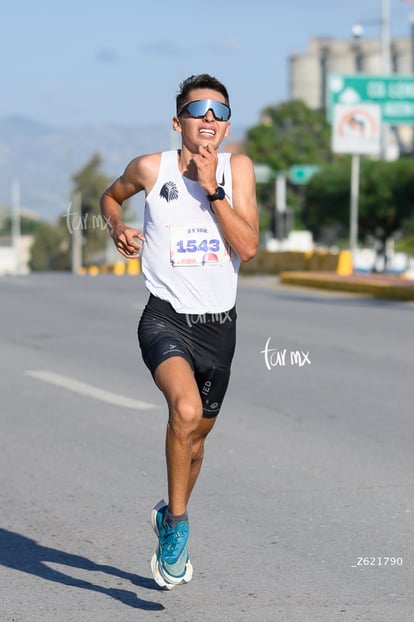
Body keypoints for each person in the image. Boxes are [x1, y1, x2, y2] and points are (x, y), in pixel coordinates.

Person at [100, 74, 258, 589]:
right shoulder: (152, 168)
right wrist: (117, 226)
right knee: (184, 412)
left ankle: (170, 511)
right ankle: (180, 528)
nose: (208, 118)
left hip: (220, 327)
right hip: (165, 317)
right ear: (179, 122)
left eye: (218, 111)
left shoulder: (239, 170)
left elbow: (248, 247)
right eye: (198, 109)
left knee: (196, 441)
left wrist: (213, 189)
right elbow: (110, 196)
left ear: (227, 125)